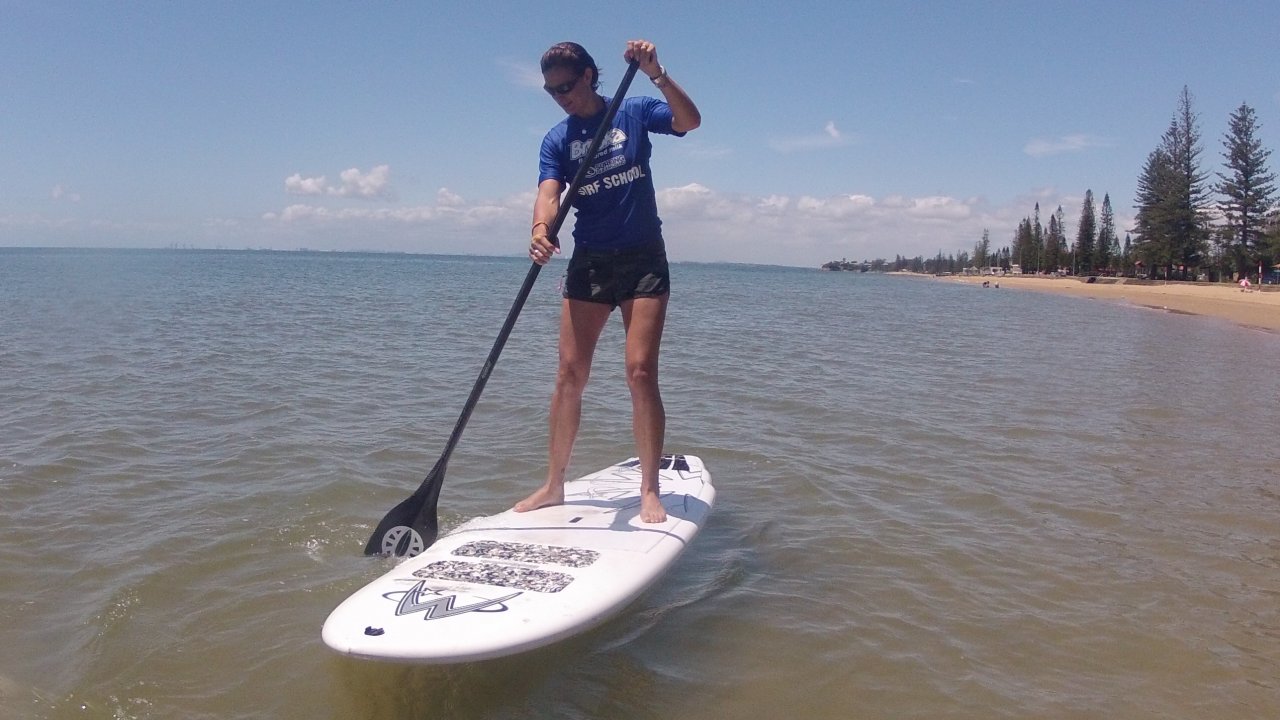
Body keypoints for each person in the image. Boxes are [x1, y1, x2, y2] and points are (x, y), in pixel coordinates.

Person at [515, 39, 701, 523]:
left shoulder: (633, 110)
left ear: (591, 76)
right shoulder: (557, 139)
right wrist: (540, 230)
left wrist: (657, 73)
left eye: (568, 86)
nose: (561, 96)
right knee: (568, 374)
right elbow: (548, 193)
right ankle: (554, 485)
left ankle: (648, 490)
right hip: (591, 262)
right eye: (551, 90)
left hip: (643, 259)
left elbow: (689, 122)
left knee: (640, 371)